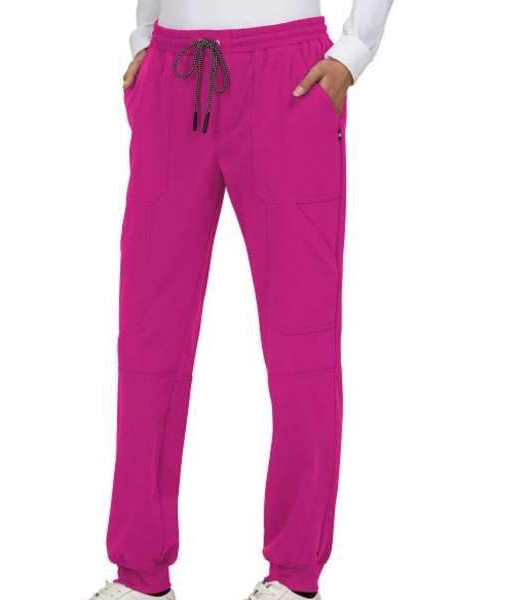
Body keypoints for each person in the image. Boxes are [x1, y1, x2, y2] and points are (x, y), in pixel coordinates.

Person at [88, 0, 393, 599]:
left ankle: (294, 576)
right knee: (148, 334)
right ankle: (140, 574)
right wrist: (144, 37)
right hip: (173, 72)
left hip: (289, 77)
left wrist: (355, 50)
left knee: (301, 337)